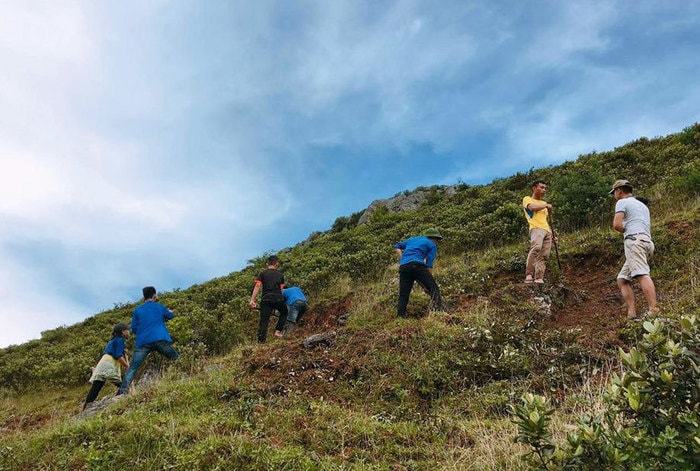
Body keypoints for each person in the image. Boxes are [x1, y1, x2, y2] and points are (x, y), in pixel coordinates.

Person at [609, 179, 658, 320]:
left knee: (642, 274)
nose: (614, 195)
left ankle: (654, 309)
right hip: (647, 242)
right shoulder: (642, 205)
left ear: (619, 190)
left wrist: (626, 229)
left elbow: (617, 225)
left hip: (634, 241)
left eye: (614, 192)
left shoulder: (622, 202)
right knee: (623, 279)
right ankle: (631, 314)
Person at [118, 286, 179, 394]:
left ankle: (122, 392)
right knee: (176, 358)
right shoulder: (159, 307)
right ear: (154, 295)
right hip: (160, 338)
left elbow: (134, 328)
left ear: (143, 297)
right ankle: (188, 374)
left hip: (143, 342)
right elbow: (170, 316)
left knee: (133, 368)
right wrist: (170, 311)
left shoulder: (137, 310)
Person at [394, 228, 444, 318]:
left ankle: (400, 316)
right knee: (433, 287)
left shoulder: (412, 239)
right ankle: (438, 312)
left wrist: (402, 258)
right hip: (417, 266)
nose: (437, 242)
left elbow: (397, 246)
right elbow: (429, 264)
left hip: (404, 267)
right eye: (437, 240)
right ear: (433, 238)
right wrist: (428, 282)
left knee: (404, 293)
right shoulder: (432, 245)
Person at [83, 323, 130, 409]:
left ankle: (86, 408)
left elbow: (115, 351)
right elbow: (118, 356)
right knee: (124, 384)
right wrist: (127, 365)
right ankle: (122, 401)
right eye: (127, 330)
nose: (128, 332)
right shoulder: (120, 340)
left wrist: (123, 351)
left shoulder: (113, 340)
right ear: (123, 331)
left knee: (96, 387)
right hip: (109, 364)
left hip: (102, 363)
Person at [249, 255, 288, 342]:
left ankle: (261, 342)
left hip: (266, 299)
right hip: (278, 298)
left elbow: (257, 286)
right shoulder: (280, 275)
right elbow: (281, 289)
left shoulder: (262, 273)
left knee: (264, 321)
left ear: (267, 264)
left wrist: (252, 300)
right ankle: (278, 331)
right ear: (276, 264)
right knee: (284, 312)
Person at [522, 180, 555, 283]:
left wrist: (553, 234)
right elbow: (532, 208)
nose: (543, 190)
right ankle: (529, 274)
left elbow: (545, 220)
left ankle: (539, 277)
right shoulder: (527, 199)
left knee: (544, 255)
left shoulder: (543, 203)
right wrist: (545, 206)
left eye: (545, 188)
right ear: (534, 188)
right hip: (536, 228)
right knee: (536, 248)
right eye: (541, 187)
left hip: (546, 230)